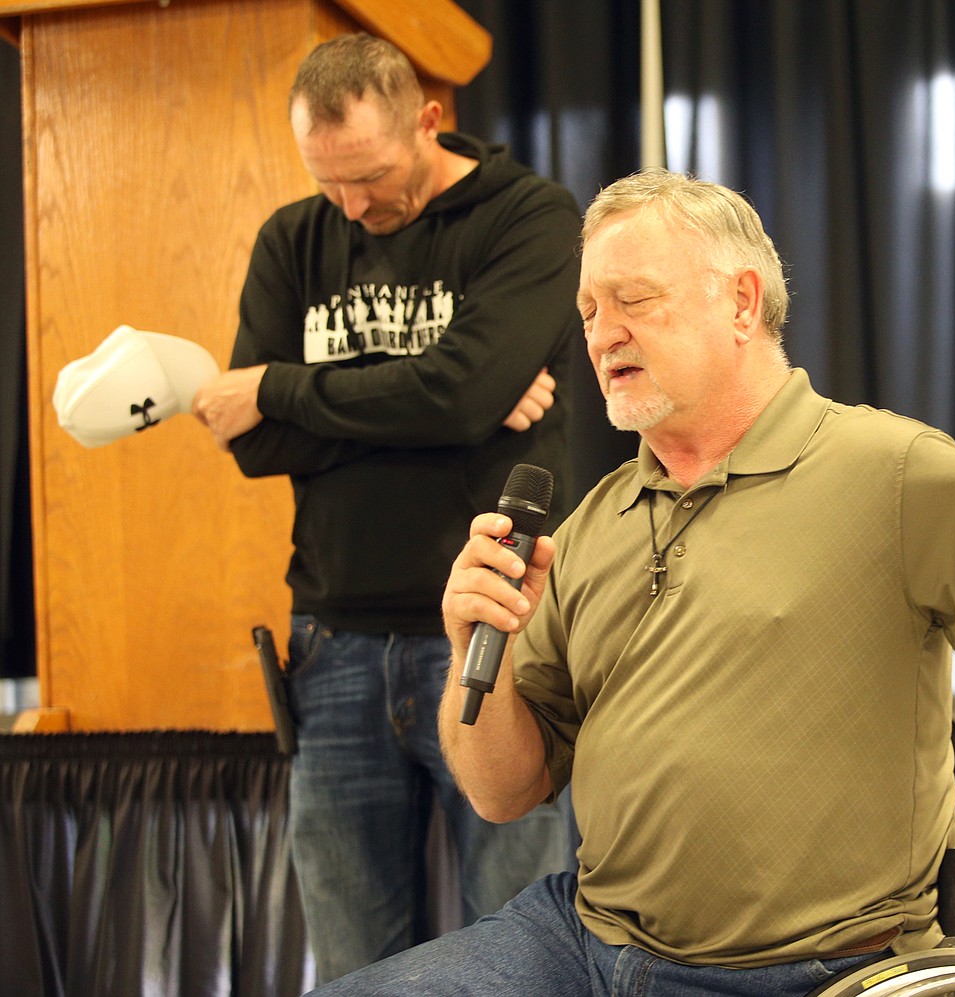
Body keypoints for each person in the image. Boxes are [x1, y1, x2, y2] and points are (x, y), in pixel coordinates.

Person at [307, 169, 955, 997]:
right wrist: (479, 650)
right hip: (583, 938)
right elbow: (504, 791)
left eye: (632, 300)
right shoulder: (584, 529)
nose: (601, 333)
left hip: (822, 967)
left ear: (743, 303)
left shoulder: (904, 478)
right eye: (587, 312)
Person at [190, 33, 580, 985]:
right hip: (332, 647)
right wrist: (448, 398)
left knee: (522, 952)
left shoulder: (528, 215)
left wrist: (284, 384)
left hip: (496, 635)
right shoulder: (294, 237)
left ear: (428, 120)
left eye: (371, 176)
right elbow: (257, 443)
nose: (356, 207)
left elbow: (444, 392)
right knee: (352, 963)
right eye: (331, 183)